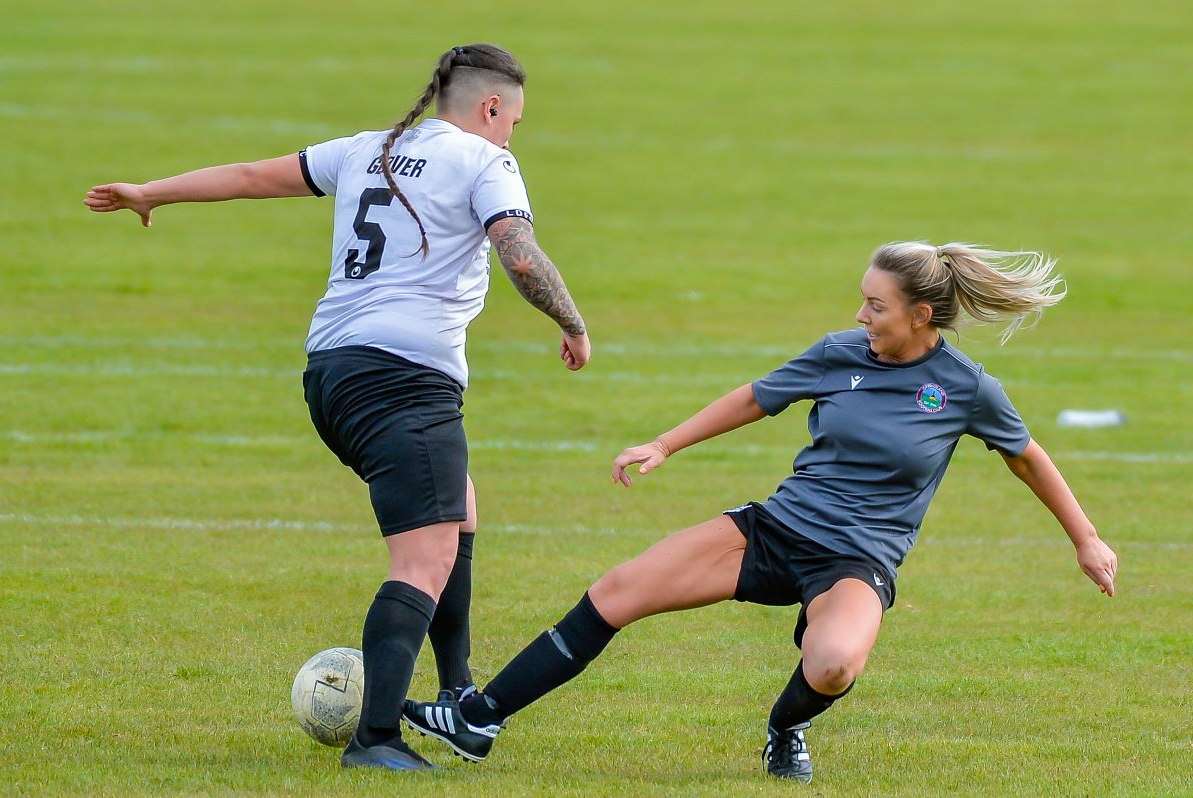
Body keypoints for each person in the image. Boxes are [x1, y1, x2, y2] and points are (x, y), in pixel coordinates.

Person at [401, 240, 1118, 782]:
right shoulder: (842, 353)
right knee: (620, 589)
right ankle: (478, 719)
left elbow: (1026, 455)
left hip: (855, 562)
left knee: (834, 663)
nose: (860, 314)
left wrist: (1085, 539)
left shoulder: (964, 387)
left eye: (876, 305)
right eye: (862, 300)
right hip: (776, 530)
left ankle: (784, 729)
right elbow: (756, 397)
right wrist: (665, 443)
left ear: (920, 315)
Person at [84, 43, 591, 773]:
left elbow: (254, 176)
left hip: (332, 375)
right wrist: (572, 323)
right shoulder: (486, 162)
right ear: (490, 108)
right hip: (401, 381)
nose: (513, 133)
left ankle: (456, 690)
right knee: (423, 557)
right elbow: (518, 253)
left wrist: (152, 191)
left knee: (459, 510)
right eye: (513, 119)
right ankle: (376, 739)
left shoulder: (368, 149)